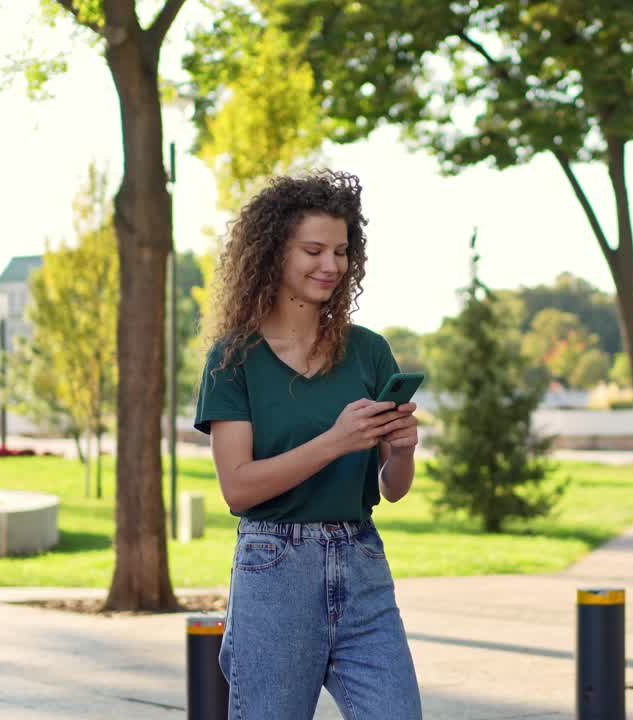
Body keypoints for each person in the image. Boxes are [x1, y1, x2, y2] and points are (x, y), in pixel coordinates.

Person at [194, 172, 422, 719]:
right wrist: (335, 441)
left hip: (362, 561)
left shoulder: (368, 352)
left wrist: (404, 449)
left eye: (342, 252)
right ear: (273, 253)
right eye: (314, 250)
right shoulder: (234, 359)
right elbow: (239, 488)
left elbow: (392, 490)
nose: (332, 265)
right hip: (274, 568)